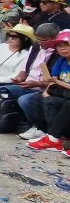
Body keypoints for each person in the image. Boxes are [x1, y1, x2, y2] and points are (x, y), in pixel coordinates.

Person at [22, 29, 70, 157]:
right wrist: (48, 90)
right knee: (37, 99)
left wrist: (55, 83)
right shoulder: (61, 61)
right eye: (60, 46)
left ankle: (54, 137)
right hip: (62, 93)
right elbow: (52, 80)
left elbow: (56, 81)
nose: (63, 49)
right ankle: (52, 135)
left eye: (66, 45)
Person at [0, 23, 33, 97]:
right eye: (9, 35)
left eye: (14, 37)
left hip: (6, 82)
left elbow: (15, 77)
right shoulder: (1, 46)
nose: (10, 38)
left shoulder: (26, 55)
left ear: (25, 39)